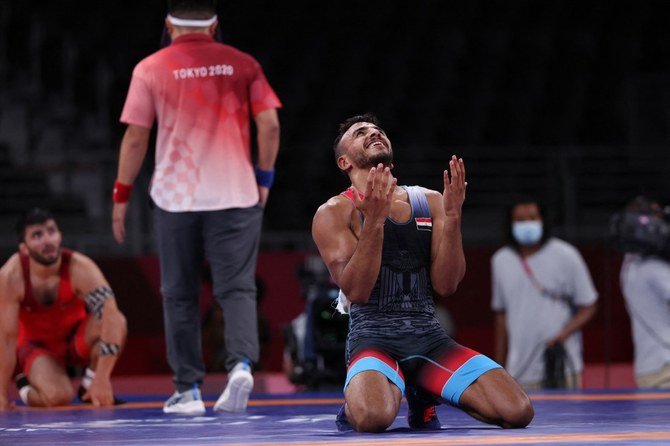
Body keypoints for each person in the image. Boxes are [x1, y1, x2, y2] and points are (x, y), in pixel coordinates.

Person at [311, 113, 533, 433]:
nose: (374, 133)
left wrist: (454, 218)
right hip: (373, 340)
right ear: (344, 162)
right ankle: (356, 405)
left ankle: (422, 392)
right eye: (361, 133)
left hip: (430, 339)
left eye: (378, 130)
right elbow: (356, 291)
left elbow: (447, 284)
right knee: (373, 418)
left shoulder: (430, 201)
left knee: (517, 411)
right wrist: (373, 222)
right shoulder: (333, 212)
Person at [112, 0, 281, 415]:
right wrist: (264, 179)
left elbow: (136, 139)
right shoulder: (243, 64)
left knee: (179, 294)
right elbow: (271, 125)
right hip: (236, 192)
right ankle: (240, 365)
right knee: (237, 288)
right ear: (215, 25)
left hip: (176, 197)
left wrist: (120, 196)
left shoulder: (149, 67)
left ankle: (187, 391)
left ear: (169, 25)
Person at [0, 208, 127, 411]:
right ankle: (24, 385)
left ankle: (90, 385)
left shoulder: (81, 268)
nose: (47, 240)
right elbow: (6, 339)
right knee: (58, 397)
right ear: (24, 248)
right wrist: (1, 393)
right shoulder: (11, 276)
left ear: (60, 235)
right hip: (37, 347)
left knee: (116, 320)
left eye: (51, 231)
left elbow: (111, 317)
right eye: (37, 235)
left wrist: (102, 378)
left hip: (75, 341)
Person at [491, 197, 598, 390]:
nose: (527, 224)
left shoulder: (566, 255)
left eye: (532, 218)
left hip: (562, 365)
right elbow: (501, 315)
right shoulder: (500, 260)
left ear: (543, 220)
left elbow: (589, 305)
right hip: (520, 369)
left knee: (570, 420)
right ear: (510, 224)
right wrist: (499, 366)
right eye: (520, 220)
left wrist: (562, 334)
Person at [618, 196, 670, 388]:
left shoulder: (629, 262)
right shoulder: (651, 269)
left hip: (651, 366)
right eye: (655, 218)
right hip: (664, 367)